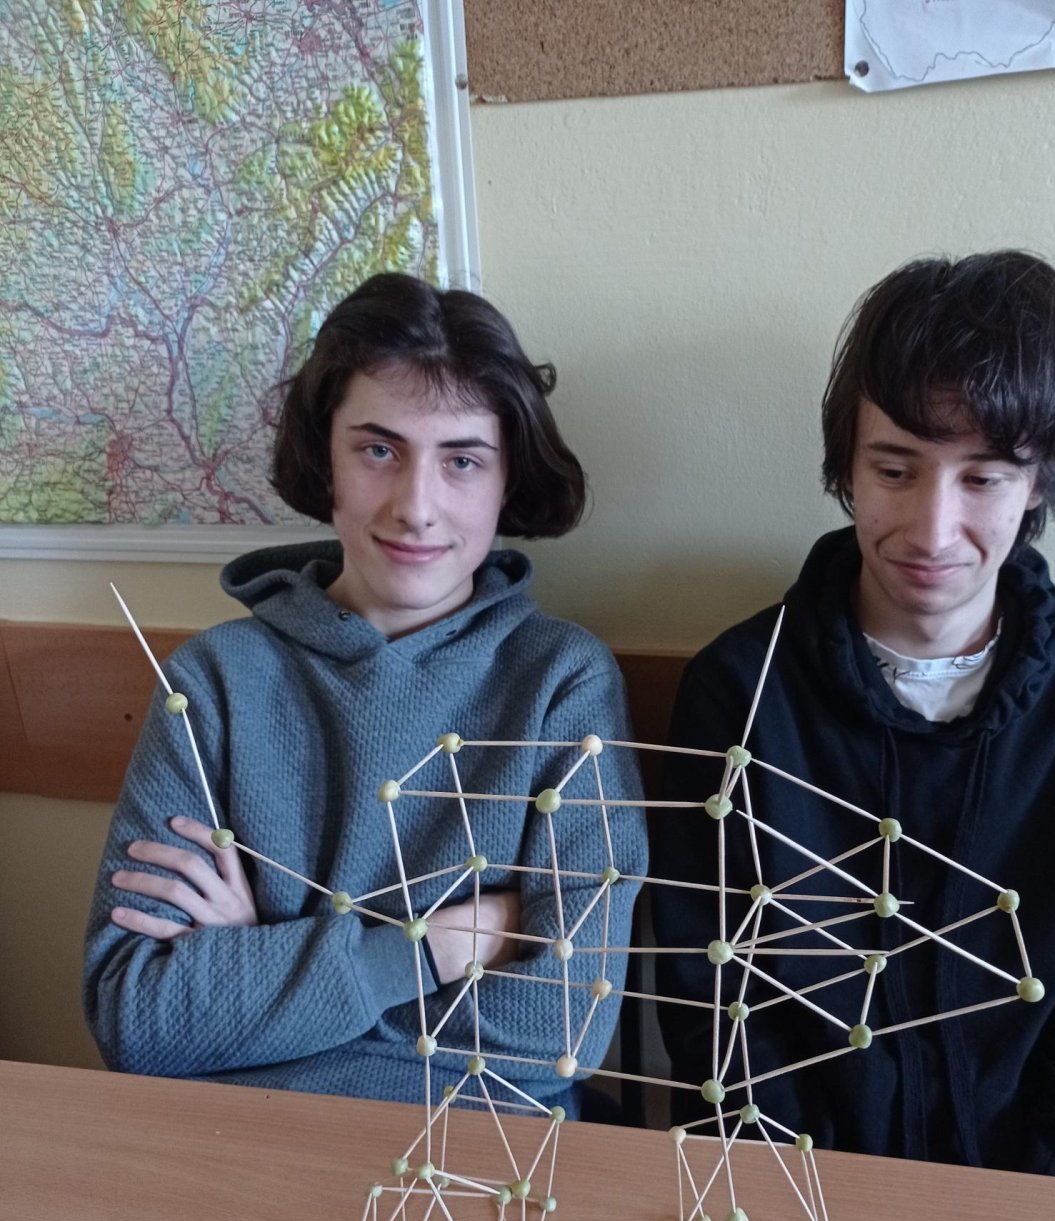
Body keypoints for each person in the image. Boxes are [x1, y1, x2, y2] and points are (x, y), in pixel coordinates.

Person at [654, 251, 1055, 1183]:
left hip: (1042, 1207)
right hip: (788, 1202)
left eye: (984, 479)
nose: (932, 530)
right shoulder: (740, 689)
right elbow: (714, 1008)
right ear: (848, 468)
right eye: (896, 469)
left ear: (1040, 482)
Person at [84, 273, 645, 1115]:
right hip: (229, 1137)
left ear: (507, 481)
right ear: (327, 460)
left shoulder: (563, 682)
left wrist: (261, 971)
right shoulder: (213, 683)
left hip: (475, 1155)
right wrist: (441, 946)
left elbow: (563, 1029)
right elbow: (134, 1016)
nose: (417, 507)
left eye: (462, 461)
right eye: (379, 451)